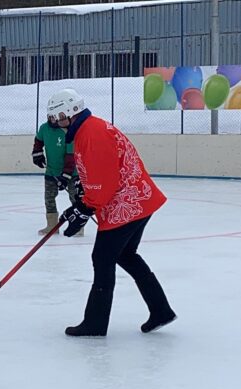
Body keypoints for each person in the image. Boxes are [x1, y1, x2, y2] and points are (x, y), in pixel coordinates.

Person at [48, 88, 176, 337]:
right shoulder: (89, 129)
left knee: (103, 259)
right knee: (126, 255)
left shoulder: (91, 133)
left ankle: (95, 324)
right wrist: (83, 196)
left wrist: (84, 208)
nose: (55, 123)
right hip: (138, 202)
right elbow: (99, 173)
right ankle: (161, 311)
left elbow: (104, 182)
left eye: (56, 117)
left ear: (68, 113)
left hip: (126, 207)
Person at [31, 114, 82, 236]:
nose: (54, 119)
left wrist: (66, 176)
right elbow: (38, 141)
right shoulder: (44, 128)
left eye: (56, 117)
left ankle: (78, 227)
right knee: (49, 199)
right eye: (51, 117)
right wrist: (37, 153)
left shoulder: (68, 132)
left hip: (71, 173)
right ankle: (52, 226)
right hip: (51, 172)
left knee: (75, 199)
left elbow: (71, 156)